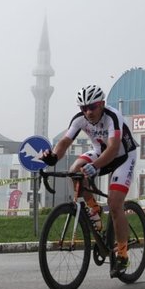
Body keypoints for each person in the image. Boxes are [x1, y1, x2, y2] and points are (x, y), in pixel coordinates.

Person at [40, 84, 138, 277]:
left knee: (115, 204)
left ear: (102, 104)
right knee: (74, 171)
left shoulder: (113, 117)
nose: (88, 112)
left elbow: (114, 148)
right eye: (84, 108)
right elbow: (65, 142)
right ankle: (94, 209)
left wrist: (95, 166)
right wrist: (53, 157)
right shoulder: (79, 119)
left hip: (123, 157)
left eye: (92, 107)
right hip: (101, 153)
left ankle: (122, 254)